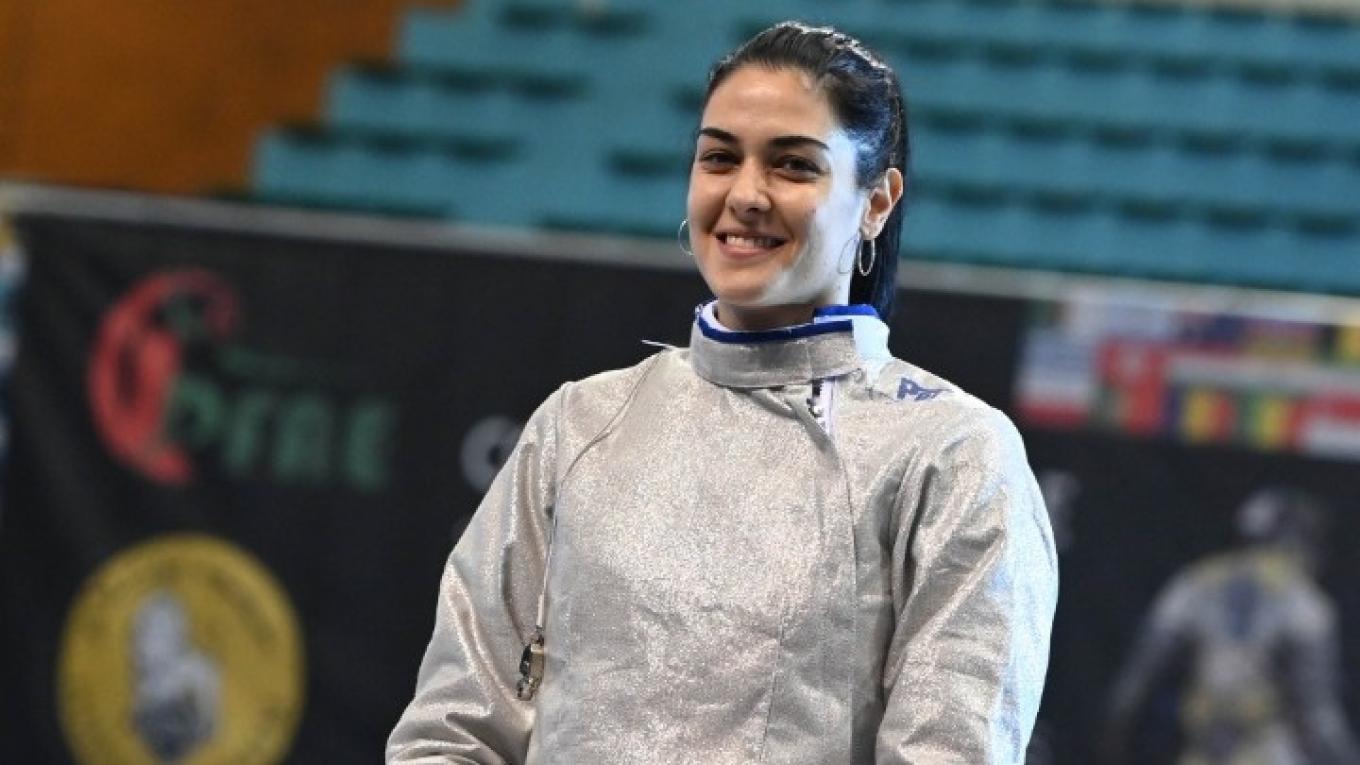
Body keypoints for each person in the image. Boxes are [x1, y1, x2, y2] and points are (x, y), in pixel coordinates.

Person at [388, 21, 1058, 763]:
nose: (745, 194)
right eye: (719, 157)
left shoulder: (954, 455)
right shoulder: (578, 425)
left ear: (876, 201)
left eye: (793, 165)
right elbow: (451, 731)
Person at [1102, 487, 1359, 765]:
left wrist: (1112, 741)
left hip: (1201, 750)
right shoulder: (1302, 599)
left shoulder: (1194, 582)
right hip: (1268, 752)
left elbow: (1132, 687)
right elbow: (1319, 714)